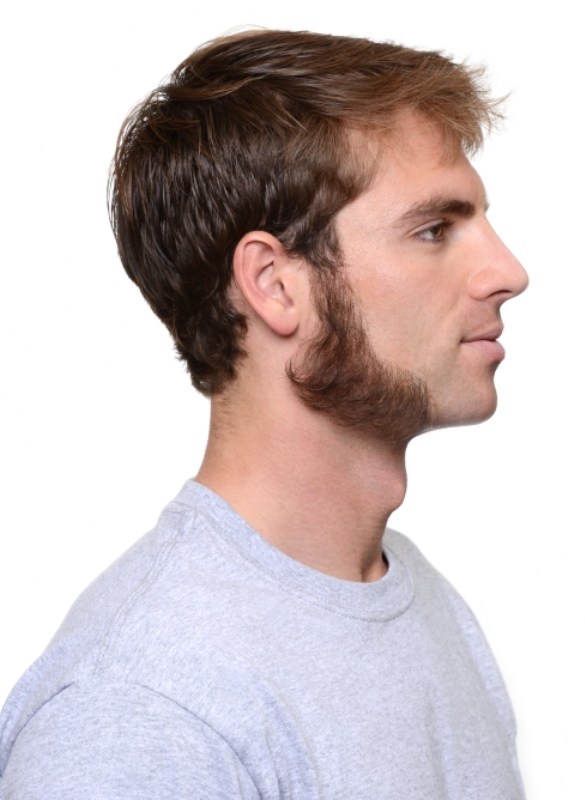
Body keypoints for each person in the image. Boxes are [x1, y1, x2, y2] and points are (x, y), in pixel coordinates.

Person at [0, 29, 528, 799]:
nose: (507, 272)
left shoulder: (425, 607)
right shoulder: (142, 715)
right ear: (275, 285)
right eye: (433, 230)